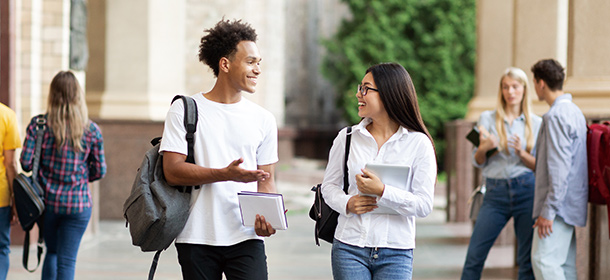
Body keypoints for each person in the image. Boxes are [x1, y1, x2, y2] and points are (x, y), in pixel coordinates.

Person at [160, 19, 278, 280]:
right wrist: (225, 174)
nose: (258, 69)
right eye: (250, 62)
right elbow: (172, 171)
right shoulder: (185, 109)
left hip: (246, 236)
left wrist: (269, 220)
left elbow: (266, 181)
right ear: (225, 64)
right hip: (196, 235)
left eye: (259, 62)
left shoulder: (264, 119)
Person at [320, 62, 437, 280]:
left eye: (366, 89)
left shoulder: (419, 144)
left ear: (389, 93)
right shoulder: (346, 138)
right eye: (359, 87)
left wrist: (382, 191)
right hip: (349, 246)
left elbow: (424, 205)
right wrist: (347, 203)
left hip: (396, 251)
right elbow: (329, 187)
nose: (358, 94)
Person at [20, 71, 106, 280]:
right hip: (78, 205)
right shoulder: (91, 130)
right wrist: (82, 177)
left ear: (52, 94)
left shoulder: (38, 125)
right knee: (67, 260)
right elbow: (100, 170)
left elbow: (25, 163)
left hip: (47, 204)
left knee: (52, 252)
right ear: (78, 95)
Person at [460, 67, 542, 280]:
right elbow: (477, 161)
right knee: (475, 256)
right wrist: (484, 147)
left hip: (527, 190)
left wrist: (522, 153)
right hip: (495, 193)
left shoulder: (537, 123)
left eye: (515, 86)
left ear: (524, 89)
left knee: (526, 260)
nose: (510, 91)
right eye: (505, 87)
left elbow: (540, 166)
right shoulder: (487, 119)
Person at [530, 59, 587, 280]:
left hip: (557, 207)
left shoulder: (555, 116)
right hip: (570, 203)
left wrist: (548, 212)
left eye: (535, 82)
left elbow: (559, 168)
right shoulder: (574, 111)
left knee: (544, 261)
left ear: (541, 83)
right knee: (564, 266)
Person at [0, 102, 21, 280]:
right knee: (1, 248)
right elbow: (10, 163)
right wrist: (15, 198)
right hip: (1, 196)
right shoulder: (6, 115)